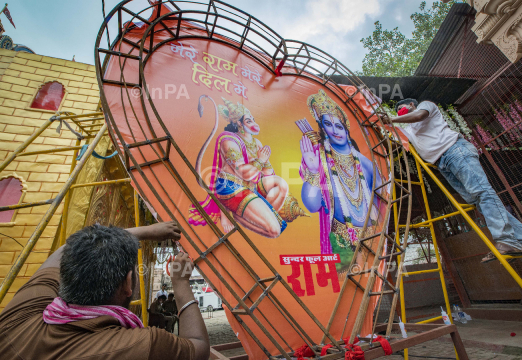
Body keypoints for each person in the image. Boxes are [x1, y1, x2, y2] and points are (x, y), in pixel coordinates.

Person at [0, 221, 210, 360]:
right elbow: (198, 346)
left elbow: (64, 250)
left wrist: (145, 232)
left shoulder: (22, 314)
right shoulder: (140, 346)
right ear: (128, 284)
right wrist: (180, 281)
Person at [384, 99, 522, 262]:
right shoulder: (408, 129)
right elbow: (396, 141)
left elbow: (419, 116)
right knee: (479, 202)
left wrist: (392, 119)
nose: (399, 111)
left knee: (482, 193)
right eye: (396, 111)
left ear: (411, 105)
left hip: (455, 151)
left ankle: (507, 241)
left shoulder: (425, 106)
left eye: (401, 108)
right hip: (442, 165)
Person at [188, 96, 306, 238]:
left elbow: (268, 172)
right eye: (248, 121)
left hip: (250, 186)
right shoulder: (229, 140)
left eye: (253, 120)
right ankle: (236, 214)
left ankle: (256, 212)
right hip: (231, 186)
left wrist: (263, 161)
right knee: (275, 231)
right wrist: (260, 160)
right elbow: (244, 173)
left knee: (281, 184)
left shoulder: (256, 143)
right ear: (239, 123)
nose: (253, 124)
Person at [298, 89, 384, 272]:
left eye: (339, 126)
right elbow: (312, 206)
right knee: (349, 285)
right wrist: (313, 171)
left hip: (373, 235)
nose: (335, 130)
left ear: (346, 128)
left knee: (375, 278)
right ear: (323, 128)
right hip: (341, 238)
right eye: (328, 124)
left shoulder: (366, 164)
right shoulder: (318, 158)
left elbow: (383, 200)